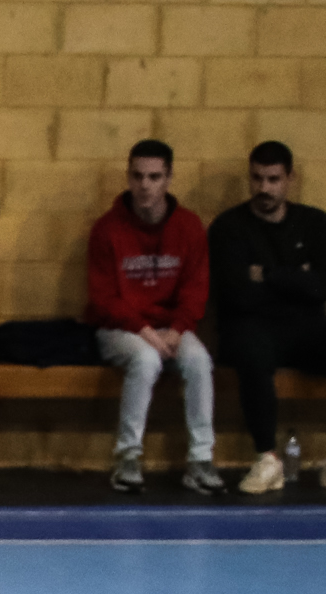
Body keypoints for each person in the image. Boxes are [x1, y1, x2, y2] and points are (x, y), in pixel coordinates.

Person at [87, 141, 220, 493]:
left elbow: (196, 289)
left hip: (170, 326)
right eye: (138, 176)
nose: (145, 185)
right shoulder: (107, 229)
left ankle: (201, 460)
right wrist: (145, 332)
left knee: (199, 361)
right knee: (146, 360)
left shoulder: (189, 226)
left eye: (154, 177)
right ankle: (128, 458)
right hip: (120, 328)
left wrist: (176, 331)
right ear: (128, 177)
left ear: (169, 178)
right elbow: (104, 299)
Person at [210, 141, 326, 495]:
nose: (264, 188)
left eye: (273, 179)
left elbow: (320, 288)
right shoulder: (228, 227)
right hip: (249, 328)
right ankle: (267, 458)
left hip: (303, 328)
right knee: (252, 351)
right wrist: (297, 278)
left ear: (290, 178)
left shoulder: (315, 224)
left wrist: (267, 274)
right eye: (257, 178)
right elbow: (236, 294)